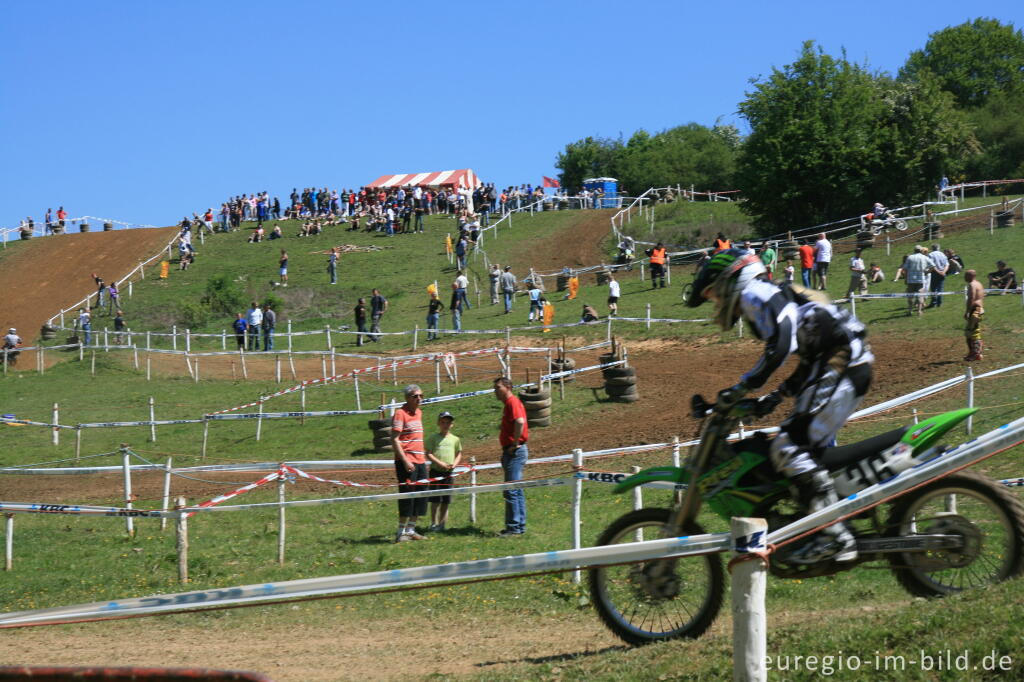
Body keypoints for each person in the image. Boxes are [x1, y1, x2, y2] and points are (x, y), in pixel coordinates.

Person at [685, 248, 873, 563]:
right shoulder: (773, 293)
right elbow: (807, 355)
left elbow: (783, 343)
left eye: (715, 293)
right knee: (809, 450)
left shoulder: (755, 293)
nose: (717, 303)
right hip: (839, 362)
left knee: (789, 448)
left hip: (842, 364)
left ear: (732, 279)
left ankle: (837, 538)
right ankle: (825, 523)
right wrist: (774, 396)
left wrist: (743, 386)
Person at [392, 385, 428, 542]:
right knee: (407, 496)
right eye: (415, 396)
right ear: (407, 398)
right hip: (406, 461)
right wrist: (405, 460)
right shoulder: (400, 413)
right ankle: (400, 533)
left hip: (420, 461)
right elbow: (394, 439)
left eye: (421, 395)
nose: (419, 398)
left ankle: (411, 529)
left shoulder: (419, 413)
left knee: (421, 496)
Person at [494, 377, 528, 536]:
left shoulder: (512, 402)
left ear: (508, 387)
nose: (495, 391)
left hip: (514, 451)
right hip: (513, 450)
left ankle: (514, 527)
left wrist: (514, 443)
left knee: (511, 490)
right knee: (516, 489)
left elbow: (520, 422)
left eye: (498, 388)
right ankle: (518, 525)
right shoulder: (510, 404)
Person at [425, 411, 463, 532]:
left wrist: (454, 464)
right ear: (438, 423)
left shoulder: (455, 439)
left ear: (452, 424)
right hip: (436, 473)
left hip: (448, 474)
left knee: (446, 500)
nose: (445, 425)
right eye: (443, 422)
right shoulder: (433, 438)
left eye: (448, 423)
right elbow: (428, 454)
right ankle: (433, 523)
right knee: (435, 500)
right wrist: (440, 463)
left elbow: (459, 454)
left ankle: (442, 524)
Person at [903, 245, 933, 316]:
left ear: (914, 250)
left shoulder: (910, 257)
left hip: (911, 280)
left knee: (910, 296)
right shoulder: (924, 257)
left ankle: (910, 310)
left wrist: (906, 278)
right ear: (921, 250)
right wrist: (927, 272)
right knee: (920, 295)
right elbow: (933, 266)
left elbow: (905, 269)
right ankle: (919, 311)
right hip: (920, 280)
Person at [964, 269, 985, 361]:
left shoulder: (972, 285)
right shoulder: (979, 284)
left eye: (966, 275)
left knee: (970, 333)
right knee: (974, 332)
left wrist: (967, 311)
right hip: (979, 309)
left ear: (970, 276)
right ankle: (975, 353)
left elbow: (971, 298)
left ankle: (975, 354)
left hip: (974, 310)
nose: (964, 277)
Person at [927, 243, 949, 308]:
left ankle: (933, 303)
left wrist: (938, 272)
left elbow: (932, 265)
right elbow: (947, 265)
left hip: (934, 273)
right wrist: (943, 272)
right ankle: (939, 303)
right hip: (942, 272)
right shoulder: (943, 254)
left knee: (933, 288)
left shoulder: (931, 255)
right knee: (940, 288)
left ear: (932, 248)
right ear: (939, 248)